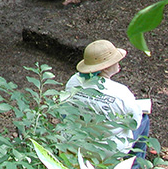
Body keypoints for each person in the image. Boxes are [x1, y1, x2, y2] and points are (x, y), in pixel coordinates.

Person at [64, 39, 151, 168]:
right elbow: (133, 124)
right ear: (105, 67)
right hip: (107, 150)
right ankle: (135, 164)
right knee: (144, 120)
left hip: (74, 142)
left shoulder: (74, 81)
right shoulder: (121, 93)